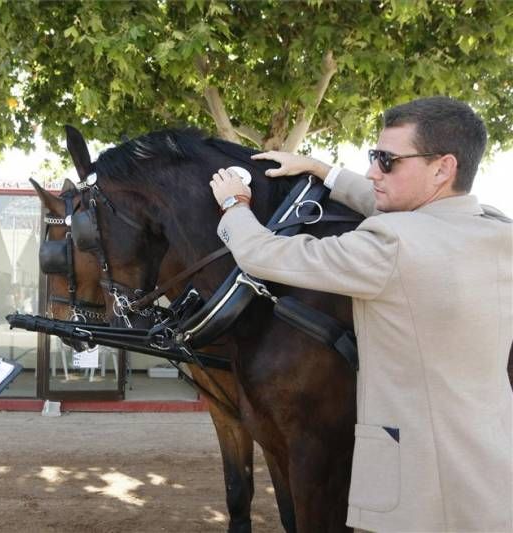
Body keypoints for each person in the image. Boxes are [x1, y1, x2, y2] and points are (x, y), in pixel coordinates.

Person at [209, 96, 512, 532]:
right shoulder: (496, 227)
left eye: (387, 161)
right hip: (493, 481)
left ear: (443, 168)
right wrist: (320, 169)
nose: (373, 171)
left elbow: (264, 254)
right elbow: (418, 219)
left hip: (418, 497)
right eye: (373, 158)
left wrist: (234, 204)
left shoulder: (391, 246)